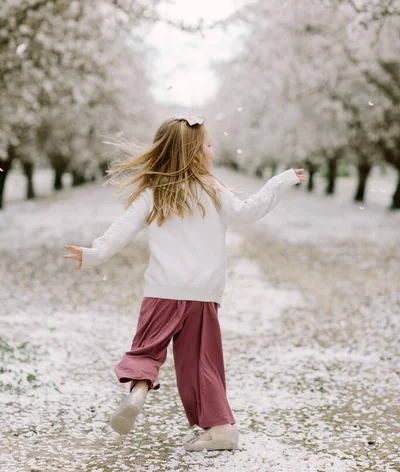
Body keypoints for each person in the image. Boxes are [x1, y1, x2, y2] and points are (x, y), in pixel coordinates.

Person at [64, 115, 307, 452]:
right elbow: (248, 211)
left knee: (146, 351)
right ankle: (221, 428)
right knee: (201, 363)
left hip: (161, 292)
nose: (213, 149)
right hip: (202, 296)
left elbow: (122, 229)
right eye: (208, 144)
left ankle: (137, 394)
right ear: (195, 154)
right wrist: (280, 182)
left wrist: (92, 254)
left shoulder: (154, 193)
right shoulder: (212, 190)